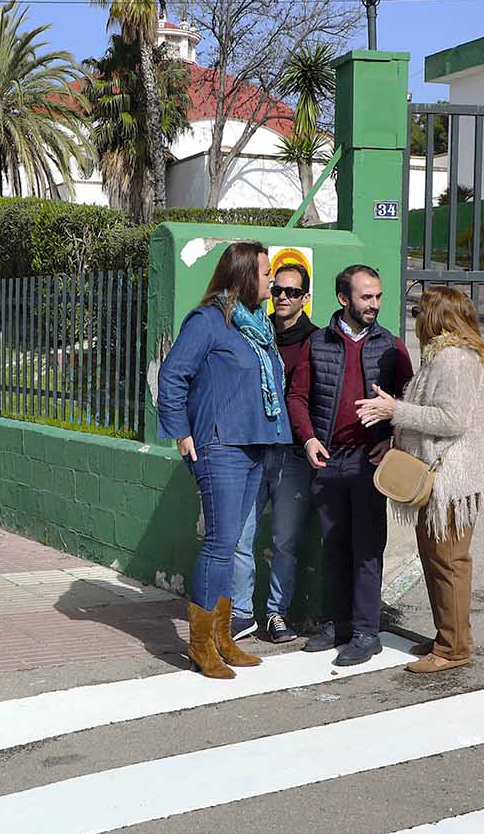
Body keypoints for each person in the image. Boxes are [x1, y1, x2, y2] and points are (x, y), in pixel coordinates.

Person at [356, 285, 484, 674]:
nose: (416, 320)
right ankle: (452, 634)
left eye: (419, 312)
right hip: (453, 478)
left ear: (437, 317)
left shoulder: (452, 360)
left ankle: (454, 648)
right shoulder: (448, 356)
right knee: (441, 559)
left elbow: (451, 420)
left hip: (455, 481)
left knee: (448, 562)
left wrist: (395, 409)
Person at [155, 241, 291, 679]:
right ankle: (199, 645)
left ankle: (223, 636)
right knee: (219, 543)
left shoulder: (256, 326)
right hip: (220, 445)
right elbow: (173, 374)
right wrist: (180, 432)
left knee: (234, 543)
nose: (273, 280)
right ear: (245, 275)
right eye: (267, 273)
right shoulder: (209, 320)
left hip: (255, 443)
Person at [286, 264, 413, 667]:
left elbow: (411, 403)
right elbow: (297, 397)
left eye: (377, 296)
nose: (374, 304)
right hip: (329, 461)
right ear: (344, 299)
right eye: (366, 297)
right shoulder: (317, 344)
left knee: (367, 549)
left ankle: (365, 632)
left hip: (371, 464)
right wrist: (308, 439)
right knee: (333, 546)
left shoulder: (392, 346)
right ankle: (337, 624)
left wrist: (392, 440)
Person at [233, 260, 317, 644]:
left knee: (284, 540)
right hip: (252, 448)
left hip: (292, 454)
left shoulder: (314, 341)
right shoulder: (253, 332)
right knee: (240, 536)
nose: (283, 297)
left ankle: (277, 614)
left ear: (305, 298)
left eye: (293, 292)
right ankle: (240, 613)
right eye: (278, 289)